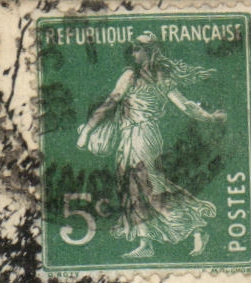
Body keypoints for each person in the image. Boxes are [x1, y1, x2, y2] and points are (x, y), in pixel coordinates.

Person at [77, 32, 227, 258]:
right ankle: (145, 242)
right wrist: (210, 117)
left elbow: (184, 106)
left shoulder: (146, 77)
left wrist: (87, 131)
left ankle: (196, 229)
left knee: (150, 187)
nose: (134, 53)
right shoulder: (139, 75)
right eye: (134, 48)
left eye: (139, 49)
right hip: (129, 137)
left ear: (151, 51)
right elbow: (113, 103)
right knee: (129, 189)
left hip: (144, 136)